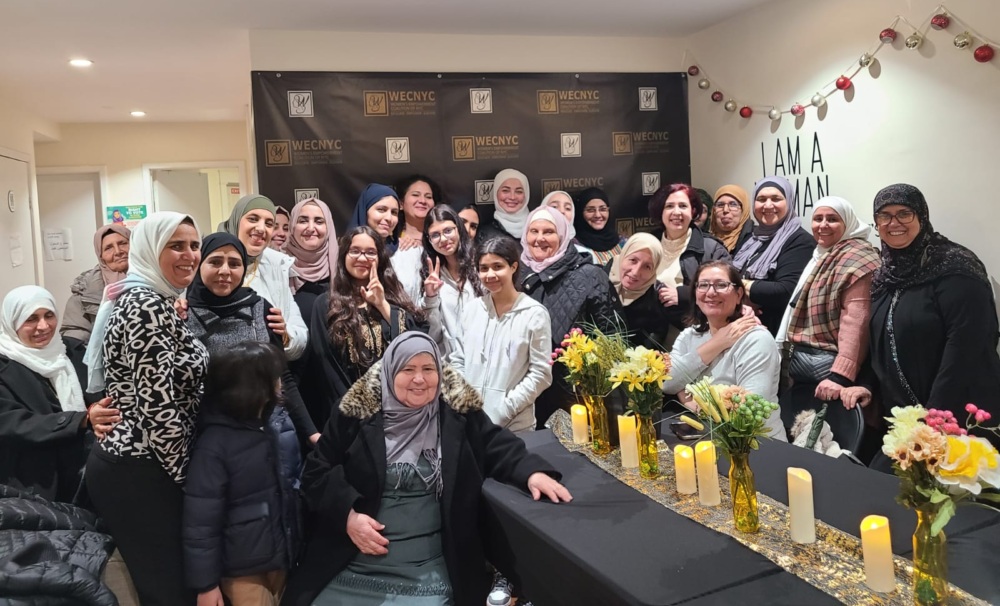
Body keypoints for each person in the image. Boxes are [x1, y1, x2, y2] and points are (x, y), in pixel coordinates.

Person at [284, 331, 571, 605]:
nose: (419, 379)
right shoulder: (355, 414)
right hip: (354, 560)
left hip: (430, 563)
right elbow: (316, 470)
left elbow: (495, 443)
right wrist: (347, 517)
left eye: (428, 369)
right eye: (407, 370)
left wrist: (531, 472)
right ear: (390, 371)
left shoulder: (456, 413)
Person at [84, 211, 209, 605]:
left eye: (193, 245)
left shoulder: (157, 298)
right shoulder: (144, 305)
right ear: (150, 249)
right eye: (176, 245)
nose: (189, 255)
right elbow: (159, 409)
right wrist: (188, 479)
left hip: (148, 464)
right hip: (141, 467)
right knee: (168, 590)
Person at [843, 184, 1000, 431]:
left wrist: (936, 415)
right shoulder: (885, 275)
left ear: (922, 216)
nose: (894, 223)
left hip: (956, 417)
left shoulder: (955, 267)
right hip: (903, 421)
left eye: (904, 213)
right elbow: (880, 342)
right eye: (884, 215)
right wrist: (867, 384)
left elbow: (967, 346)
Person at [183, 341, 300, 606]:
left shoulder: (278, 424)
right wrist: (206, 584)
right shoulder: (215, 443)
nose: (280, 381)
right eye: (274, 376)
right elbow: (200, 522)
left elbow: (294, 483)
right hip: (241, 568)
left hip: (282, 556)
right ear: (254, 385)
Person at [185, 232, 319, 445]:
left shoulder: (260, 308)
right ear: (199, 264)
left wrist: (311, 433)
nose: (225, 271)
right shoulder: (182, 314)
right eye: (215, 261)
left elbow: (281, 376)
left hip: (262, 433)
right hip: (205, 437)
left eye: (235, 263)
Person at [301, 226, 426, 429]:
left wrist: (382, 305)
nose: (362, 257)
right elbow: (327, 366)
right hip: (350, 417)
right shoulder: (326, 304)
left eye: (370, 252)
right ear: (344, 255)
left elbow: (414, 348)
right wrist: (356, 411)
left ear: (380, 258)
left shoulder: (394, 299)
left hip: (399, 414)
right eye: (355, 251)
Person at [0, 286, 116, 503]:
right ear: (12, 321)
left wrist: (95, 412)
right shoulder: (4, 366)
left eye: (49, 315)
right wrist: (79, 420)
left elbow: (98, 394)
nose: (43, 326)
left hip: (87, 469)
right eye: (31, 318)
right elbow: (11, 423)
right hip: (35, 483)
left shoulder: (72, 351)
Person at [776, 197, 880, 432]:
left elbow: (857, 321)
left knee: (827, 441)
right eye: (817, 218)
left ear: (848, 223)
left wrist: (840, 375)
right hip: (807, 367)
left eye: (832, 219)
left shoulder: (858, 259)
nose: (823, 225)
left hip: (834, 373)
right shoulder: (821, 254)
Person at [519, 207, 623, 428]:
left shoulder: (590, 276)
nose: (539, 239)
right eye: (533, 231)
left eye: (548, 231)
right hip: (524, 397)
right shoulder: (514, 274)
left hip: (573, 398)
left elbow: (610, 338)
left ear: (563, 236)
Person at [661, 261, 787, 441]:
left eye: (721, 285)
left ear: (739, 295)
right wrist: (718, 343)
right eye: (703, 285)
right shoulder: (689, 335)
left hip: (753, 445)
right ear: (695, 295)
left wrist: (689, 399)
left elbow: (748, 412)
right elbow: (667, 383)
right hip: (705, 437)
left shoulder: (756, 339)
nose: (711, 292)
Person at [450, 237, 552, 433]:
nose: (490, 274)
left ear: (513, 267)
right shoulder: (471, 310)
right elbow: (458, 360)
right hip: (471, 423)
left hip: (515, 427)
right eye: (483, 268)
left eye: (498, 266)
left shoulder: (534, 313)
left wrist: (503, 409)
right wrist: (465, 404)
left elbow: (541, 374)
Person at [218, 194, 308, 360]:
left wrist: (285, 336)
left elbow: (300, 335)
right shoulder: (210, 261)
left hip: (268, 374)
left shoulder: (276, 265)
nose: (261, 228)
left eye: (268, 223)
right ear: (236, 221)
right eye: (253, 219)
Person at [392, 205, 484, 357]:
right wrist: (430, 298)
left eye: (448, 231)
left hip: (484, 362)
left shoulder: (481, 266)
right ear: (429, 240)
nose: (443, 239)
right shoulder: (430, 275)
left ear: (458, 229)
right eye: (435, 235)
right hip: (450, 368)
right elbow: (432, 335)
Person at [731, 176, 815, 336]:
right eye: (761, 199)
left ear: (789, 201)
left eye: (776, 199)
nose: (768, 205)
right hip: (742, 328)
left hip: (773, 332)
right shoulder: (751, 238)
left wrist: (738, 286)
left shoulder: (800, 241)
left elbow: (785, 290)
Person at [648, 183, 730, 340]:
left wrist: (683, 294)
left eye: (683, 206)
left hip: (701, 335)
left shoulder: (711, 248)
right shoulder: (647, 244)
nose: (676, 212)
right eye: (669, 206)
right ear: (660, 211)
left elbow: (728, 290)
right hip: (653, 338)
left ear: (693, 212)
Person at [61, 223, 131, 345]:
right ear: (101, 255)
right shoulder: (84, 290)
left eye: (123, 243)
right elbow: (75, 335)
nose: (118, 251)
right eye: (108, 248)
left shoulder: (155, 278)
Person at [609, 233, 670, 349]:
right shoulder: (597, 283)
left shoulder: (657, 301)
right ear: (623, 255)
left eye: (647, 267)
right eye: (633, 260)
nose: (636, 272)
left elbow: (652, 347)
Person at [286, 197, 338, 323]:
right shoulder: (279, 265)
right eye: (303, 221)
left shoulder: (341, 265)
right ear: (292, 225)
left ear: (328, 226)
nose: (310, 228)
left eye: (319, 222)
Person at [574, 187, 626, 267]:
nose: (598, 215)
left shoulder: (623, 243)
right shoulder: (575, 247)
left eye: (603, 209)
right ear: (580, 213)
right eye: (590, 210)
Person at [478, 168, 529, 243]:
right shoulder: (484, 234)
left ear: (526, 195)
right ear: (496, 193)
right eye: (505, 190)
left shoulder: (538, 227)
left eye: (519, 191)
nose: (512, 197)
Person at [347, 184, 400, 253]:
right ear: (365, 211)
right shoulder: (341, 250)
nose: (389, 218)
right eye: (381, 210)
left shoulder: (405, 252)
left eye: (394, 212)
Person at [542, 190, 591, 259]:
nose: (562, 211)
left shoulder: (583, 254)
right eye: (554, 207)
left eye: (567, 208)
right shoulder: (531, 249)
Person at [396, 175, 440, 251]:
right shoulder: (392, 241)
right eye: (415, 195)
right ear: (401, 204)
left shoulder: (442, 239)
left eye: (428, 197)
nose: (423, 201)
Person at [710, 184, 753, 255]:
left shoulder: (755, 240)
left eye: (733, 204)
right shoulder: (704, 240)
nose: (725, 210)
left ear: (743, 209)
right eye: (720, 205)